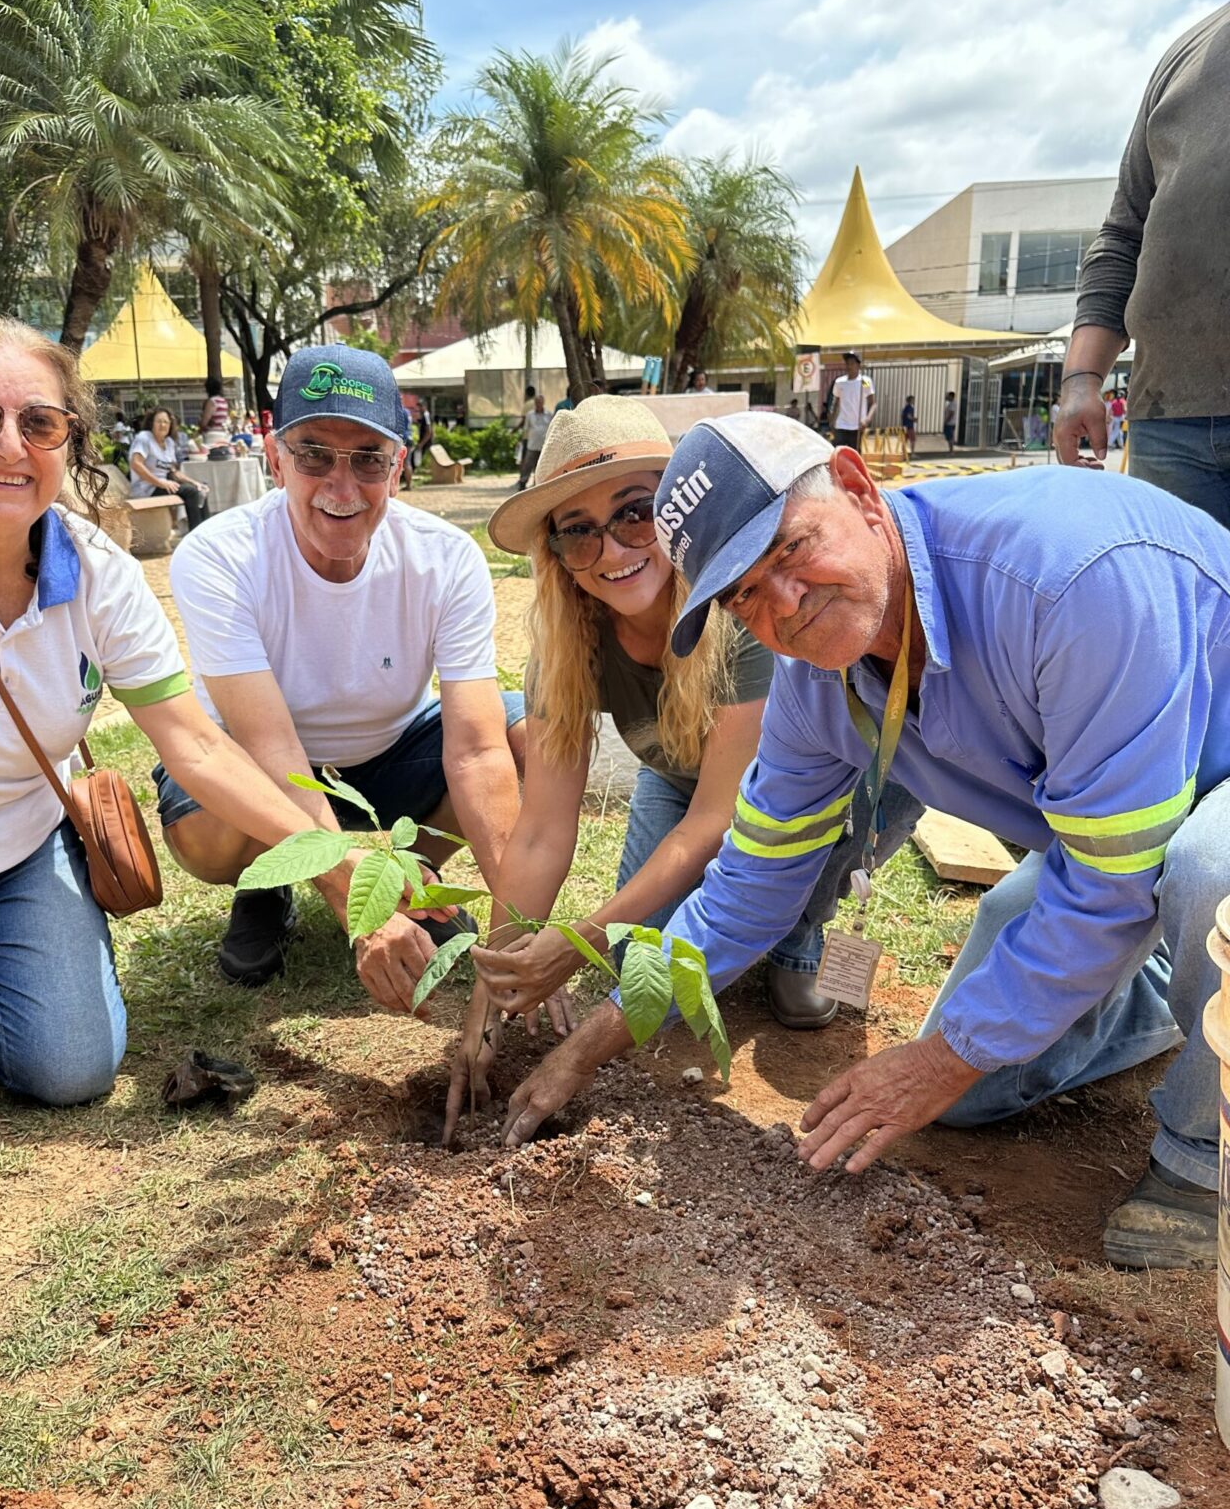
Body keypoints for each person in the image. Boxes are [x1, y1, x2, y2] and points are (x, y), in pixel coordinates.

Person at [498, 413, 1230, 1271]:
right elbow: (748, 889)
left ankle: (1199, 1156)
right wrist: (588, 1044)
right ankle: (1180, 1002)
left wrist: (941, 1058)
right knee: (971, 1086)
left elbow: (1109, 883)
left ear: (854, 486)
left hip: (1210, 788)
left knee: (1206, 874)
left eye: (789, 551)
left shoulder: (1066, 582)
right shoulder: (817, 686)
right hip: (1111, 830)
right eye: (745, 596)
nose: (785, 606)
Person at [0, 316, 432, 1171]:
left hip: (17, 853)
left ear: (69, 441)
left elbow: (198, 750)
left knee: (74, 1072)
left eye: (40, 423)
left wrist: (346, 874)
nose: (9, 446)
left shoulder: (96, 571)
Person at [444, 397, 891, 1132]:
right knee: (645, 968)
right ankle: (759, 927)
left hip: (811, 785)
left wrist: (578, 937)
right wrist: (486, 1005)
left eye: (634, 513)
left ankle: (803, 932)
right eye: (578, 533)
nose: (613, 552)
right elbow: (540, 832)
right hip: (679, 781)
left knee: (702, 913)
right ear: (555, 556)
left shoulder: (744, 616)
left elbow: (719, 820)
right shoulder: (568, 649)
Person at [157, 345, 542, 1018]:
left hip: (390, 751)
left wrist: (519, 935)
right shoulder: (219, 556)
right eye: (314, 454)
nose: (341, 487)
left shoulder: (445, 559)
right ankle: (268, 883)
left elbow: (476, 749)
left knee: (525, 734)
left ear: (400, 463)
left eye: (368, 458)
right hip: (265, 762)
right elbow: (272, 748)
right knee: (205, 828)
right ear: (274, 456)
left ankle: (412, 884)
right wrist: (347, 896)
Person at [1054, 4, 1230, 528]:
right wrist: (1082, 378)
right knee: (1180, 609)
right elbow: (1124, 233)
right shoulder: (1185, 55)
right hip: (1168, 420)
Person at [129, 407, 209, 532]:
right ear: (151, 423)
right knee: (191, 492)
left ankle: (206, 532)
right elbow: (136, 464)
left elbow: (173, 471)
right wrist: (160, 482)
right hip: (146, 488)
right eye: (159, 421)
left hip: (164, 485)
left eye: (166, 422)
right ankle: (196, 535)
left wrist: (195, 482)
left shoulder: (169, 442)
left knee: (200, 490)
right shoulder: (144, 438)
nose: (163, 425)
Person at [829, 353, 874, 449]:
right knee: (838, 453)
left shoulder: (864, 381)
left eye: (852, 363)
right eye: (847, 363)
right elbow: (836, 402)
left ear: (858, 365)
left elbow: (873, 403)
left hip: (857, 426)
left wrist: (867, 419)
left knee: (854, 454)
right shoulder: (839, 382)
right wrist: (832, 421)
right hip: (841, 424)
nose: (849, 366)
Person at [516, 392, 550, 490]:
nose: (539, 404)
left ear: (543, 403)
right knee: (527, 465)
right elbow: (526, 428)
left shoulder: (549, 414)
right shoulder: (530, 415)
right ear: (535, 403)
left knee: (541, 467)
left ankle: (538, 484)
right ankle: (523, 482)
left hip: (543, 446)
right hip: (532, 445)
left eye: (540, 402)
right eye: (537, 402)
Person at [199, 377, 232, 461]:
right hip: (223, 434)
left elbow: (204, 422)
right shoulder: (224, 401)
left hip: (212, 436)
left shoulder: (212, 401)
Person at [942, 389, 957, 454]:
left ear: (951, 396)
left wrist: (946, 421)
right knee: (950, 437)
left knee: (950, 437)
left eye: (947, 396)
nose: (946, 397)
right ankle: (951, 450)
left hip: (950, 423)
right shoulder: (950, 403)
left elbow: (951, 413)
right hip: (951, 423)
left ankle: (951, 451)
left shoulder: (952, 404)